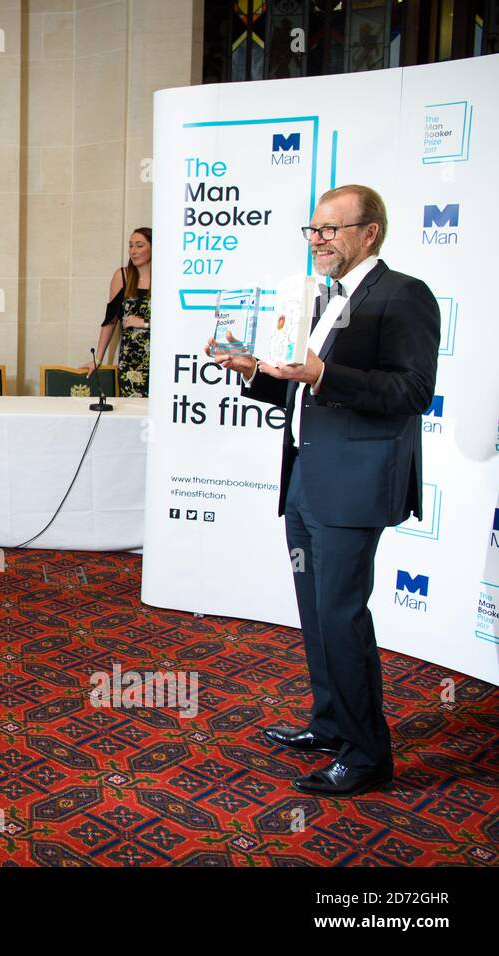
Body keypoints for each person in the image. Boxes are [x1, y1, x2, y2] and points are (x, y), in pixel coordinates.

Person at [206, 184, 439, 797]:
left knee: (341, 616)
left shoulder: (404, 294)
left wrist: (327, 373)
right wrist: (255, 370)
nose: (317, 240)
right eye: (312, 230)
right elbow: (302, 388)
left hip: (356, 483)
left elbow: (411, 393)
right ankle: (331, 723)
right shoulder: (319, 299)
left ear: (370, 232)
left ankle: (367, 757)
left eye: (330, 229)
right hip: (306, 474)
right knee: (316, 614)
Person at [87, 228, 151, 397]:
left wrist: (143, 323)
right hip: (131, 360)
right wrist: (98, 359)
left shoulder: (167, 278)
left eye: (139, 245)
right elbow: (110, 320)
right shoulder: (122, 275)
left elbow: (175, 322)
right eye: (131, 246)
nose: (133, 251)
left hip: (161, 357)